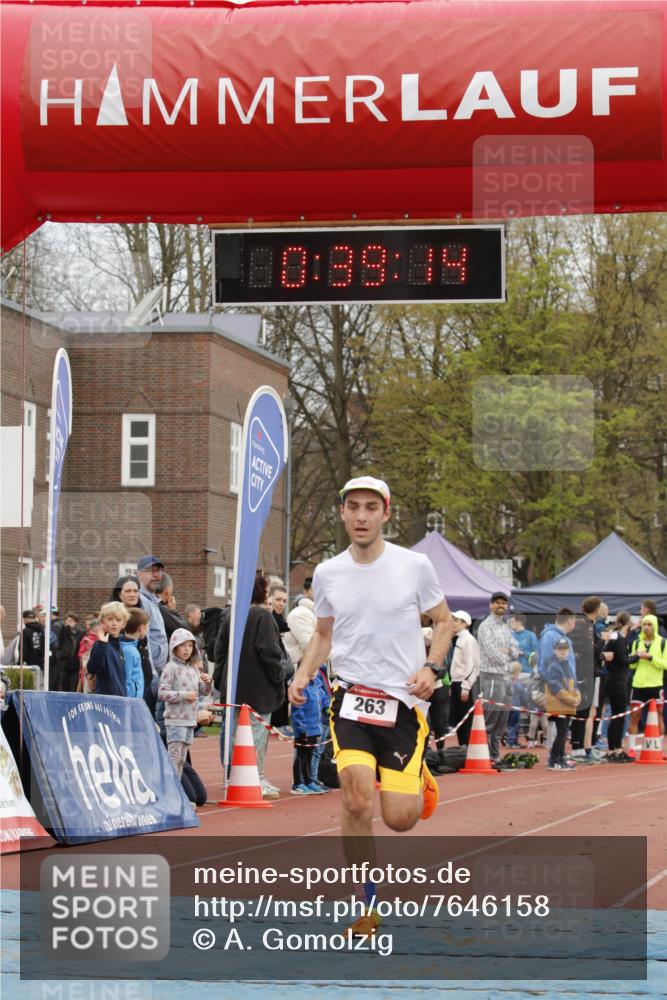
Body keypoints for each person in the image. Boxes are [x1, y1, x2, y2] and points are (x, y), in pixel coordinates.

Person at [288, 475, 453, 935]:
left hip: (403, 702)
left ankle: (418, 777)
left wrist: (432, 668)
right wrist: (302, 674)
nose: (361, 516)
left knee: (400, 818)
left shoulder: (414, 565)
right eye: (353, 507)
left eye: (371, 508)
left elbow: (443, 622)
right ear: (342, 512)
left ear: (385, 513)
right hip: (352, 698)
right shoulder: (328, 573)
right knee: (357, 799)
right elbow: (323, 634)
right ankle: (367, 906)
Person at [213, 571, 286, 799]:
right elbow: (269, 652)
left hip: (234, 686)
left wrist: (220, 679)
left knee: (235, 733)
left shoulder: (232, 616)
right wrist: (279, 676)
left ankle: (235, 776)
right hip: (258, 688)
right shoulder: (263, 617)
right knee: (255, 733)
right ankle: (255, 778)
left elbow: (219, 650)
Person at [159, 627, 212, 779]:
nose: (187, 649)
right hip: (175, 721)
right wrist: (184, 695)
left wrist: (208, 682)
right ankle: (170, 789)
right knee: (174, 759)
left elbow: (204, 691)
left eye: (190, 645)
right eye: (182, 645)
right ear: (174, 647)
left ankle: (176, 790)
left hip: (190, 721)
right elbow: (162, 693)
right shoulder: (170, 668)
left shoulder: (193, 669)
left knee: (181, 760)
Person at [477, 593, 521, 766]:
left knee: (502, 721)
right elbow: (492, 654)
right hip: (492, 677)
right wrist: (509, 656)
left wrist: (508, 651)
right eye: (497, 603)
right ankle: (485, 757)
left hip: (506, 677)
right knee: (491, 719)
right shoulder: (485, 626)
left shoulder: (505, 626)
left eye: (503, 603)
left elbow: (516, 649)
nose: (500, 605)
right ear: (491, 605)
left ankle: (495, 756)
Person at [569, 596, 606, 764]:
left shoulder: (588, 624)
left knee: (587, 712)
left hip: (589, 673)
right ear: (596, 610)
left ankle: (585, 748)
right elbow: (588, 650)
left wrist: (602, 654)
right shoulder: (582, 625)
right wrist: (603, 641)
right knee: (582, 712)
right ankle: (577, 748)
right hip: (582, 675)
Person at [111, 574, 155, 710]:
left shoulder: (142, 614)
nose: (132, 594)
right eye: (128, 591)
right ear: (119, 594)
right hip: (128, 691)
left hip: (143, 678)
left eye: (136, 591)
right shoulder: (112, 619)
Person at [627, 614, 667, 752]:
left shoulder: (663, 642)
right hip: (638, 685)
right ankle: (631, 748)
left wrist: (650, 657)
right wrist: (635, 657)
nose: (646, 627)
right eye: (644, 624)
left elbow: (665, 664)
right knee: (634, 716)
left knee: (659, 716)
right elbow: (631, 665)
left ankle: (658, 748)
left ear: (655, 626)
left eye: (649, 624)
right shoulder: (636, 642)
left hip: (656, 685)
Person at [541, 636, 580, 771]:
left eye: (565, 649)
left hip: (566, 705)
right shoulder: (553, 666)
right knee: (562, 733)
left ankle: (558, 758)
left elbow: (574, 685)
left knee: (563, 733)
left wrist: (578, 697)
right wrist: (572, 699)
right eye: (560, 649)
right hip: (558, 705)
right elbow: (556, 688)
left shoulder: (567, 665)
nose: (563, 651)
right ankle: (555, 760)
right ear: (555, 651)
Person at [601, 610, 634, 762]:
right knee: (618, 716)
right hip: (617, 680)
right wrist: (637, 656)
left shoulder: (614, 636)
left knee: (617, 716)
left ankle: (614, 750)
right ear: (628, 623)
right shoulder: (619, 638)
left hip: (613, 679)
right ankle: (615, 750)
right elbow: (623, 661)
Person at [448, 610, 480, 747]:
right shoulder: (460, 638)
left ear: (465, 623)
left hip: (464, 684)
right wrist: (452, 683)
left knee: (466, 720)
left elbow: (472, 665)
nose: (453, 623)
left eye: (456, 620)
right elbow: (457, 664)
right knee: (459, 720)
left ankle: (466, 749)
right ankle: (462, 749)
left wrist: (466, 687)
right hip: (457, 683)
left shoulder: (468, 640)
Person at [86, 601, 130, 696]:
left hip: (120, 699)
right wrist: (102, 644)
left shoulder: (119, 648)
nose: (114, 623)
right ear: (102, 621)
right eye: (110, 619)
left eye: (118, 620)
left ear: (124, 624)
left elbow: (121, 679)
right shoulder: (100, 644)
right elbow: (92, 668)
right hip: (105, 700)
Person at [136, 555, 169, 676]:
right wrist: (151, 674)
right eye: (151, 571)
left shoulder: (153, 601)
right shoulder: (141, 601)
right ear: (139, 574)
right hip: (149, 673)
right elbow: (145, 641)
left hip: (158, 671)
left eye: (158, 571)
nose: (156, 575)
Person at [120, 608, 149, 699]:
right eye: (147, 627)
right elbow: (127, 679)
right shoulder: (129, 651)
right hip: (131, 701)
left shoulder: (131, 648)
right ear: (141, 628)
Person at [57, 613, 84, 692]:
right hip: (65, 662)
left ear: (76, 622)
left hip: (75, 664)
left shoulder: (80, 633)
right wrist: (60, 655)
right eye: (67, 620)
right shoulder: (63, 631)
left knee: (73, 686)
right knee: (64, 684)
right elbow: (59, 644)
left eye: (71, 620)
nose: (69, 622)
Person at [509, 613, 538, 682]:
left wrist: (523, 653)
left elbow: (535, 655)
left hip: (526, 673)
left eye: (512, 622)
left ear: (519, 622)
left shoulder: (531, 635)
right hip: (511, 673)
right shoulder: (509, 635)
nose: (510, 624)